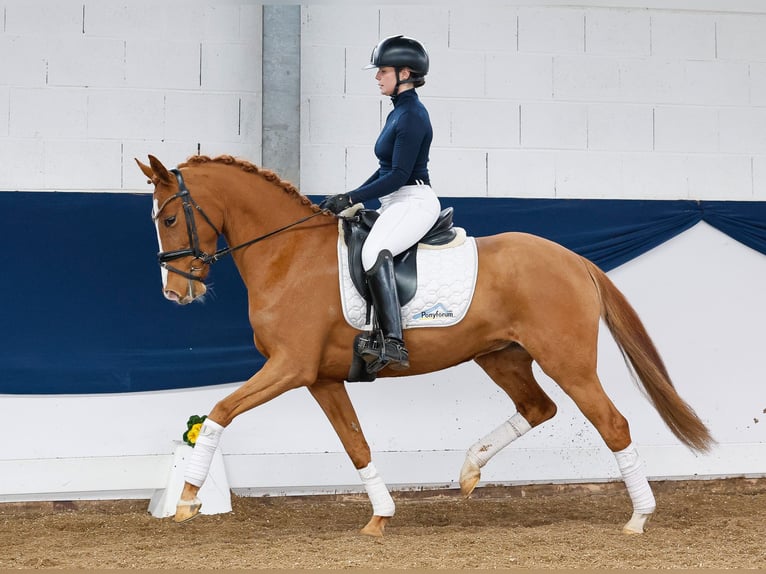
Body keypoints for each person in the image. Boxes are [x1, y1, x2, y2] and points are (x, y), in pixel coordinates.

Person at [321, 35, 441, 372]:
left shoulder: (413, 115)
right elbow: (384, 170)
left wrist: (353, 197)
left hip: (414, 200)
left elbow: (399, 174)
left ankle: (393, 341)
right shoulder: (398, 113)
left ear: (405, 73)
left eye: (383, 71)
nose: (377, 77)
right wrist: (348, 196)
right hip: (397, 200)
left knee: (374, 252)